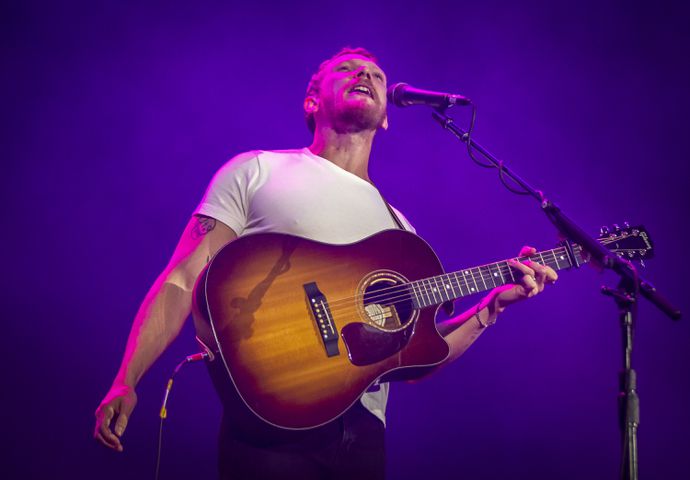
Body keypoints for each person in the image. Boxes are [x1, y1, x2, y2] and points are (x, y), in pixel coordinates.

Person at [94, 47, 558, 479]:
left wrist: (492, 307)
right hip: (272, 420)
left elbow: (418, 358)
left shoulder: (402, 233)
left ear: (387, 120)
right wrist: (127, 379)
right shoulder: (258, 171)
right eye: (349, 69)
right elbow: (182, 279)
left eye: (377, 74)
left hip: (363, 439)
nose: (366, 76)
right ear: (312, 101)